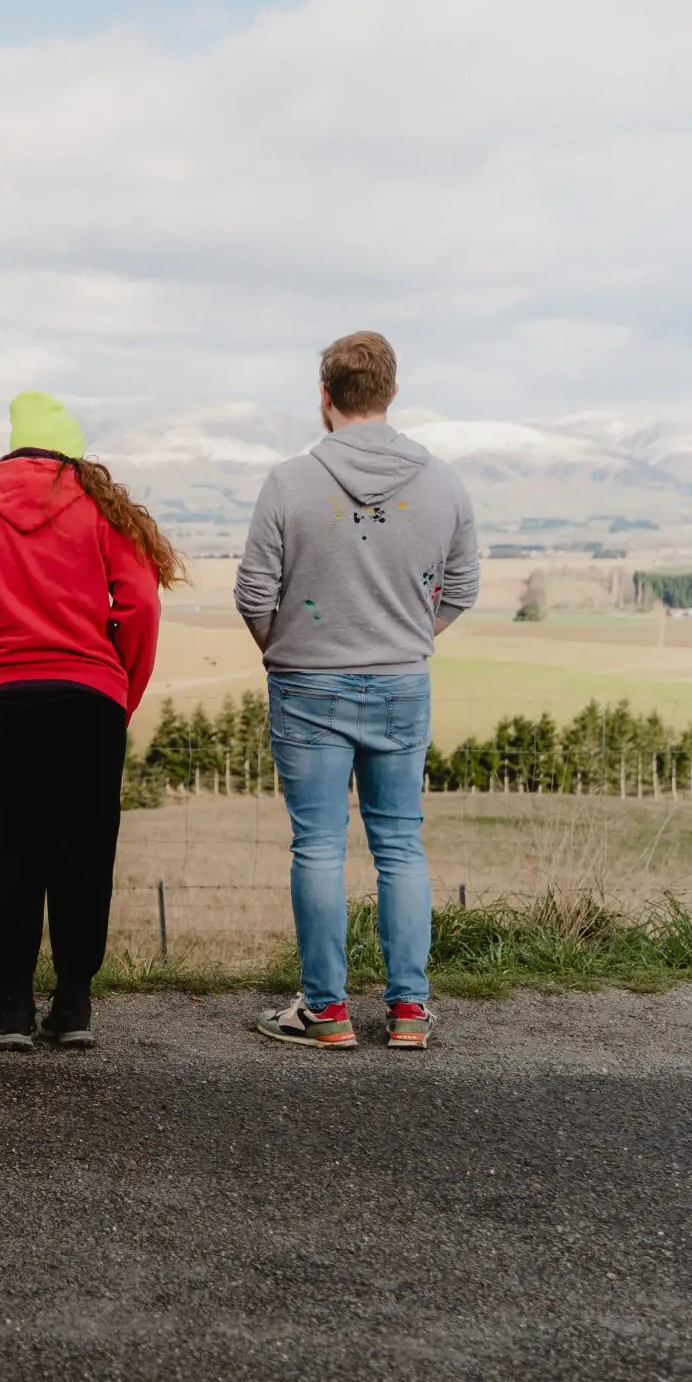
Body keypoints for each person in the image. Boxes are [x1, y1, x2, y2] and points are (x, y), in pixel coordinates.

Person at [237, 332, 479, 1051]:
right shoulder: (442, 482)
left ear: (325, 396)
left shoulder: (288, 481)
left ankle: (327, 1011)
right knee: (400, 843)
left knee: (317, 845)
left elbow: (254, 591)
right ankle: (409, 1011)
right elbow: (463, 588)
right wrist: (410, 637)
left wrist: (286, 651)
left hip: (306, 682)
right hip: (402, 681)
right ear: (391, 392)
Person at [0, 392, 174, 1050]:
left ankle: (13, 1006)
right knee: (84, 853)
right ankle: (73, 1004)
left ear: (14, 447)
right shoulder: (101, 509)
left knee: (9, 850)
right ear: (70, 448)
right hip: (90, 701)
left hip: (4, 701)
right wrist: (120, 689)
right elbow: (141, 606)